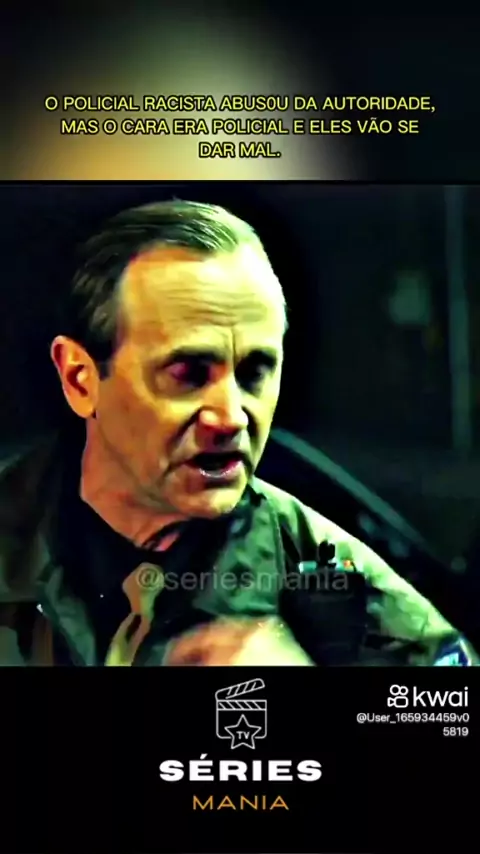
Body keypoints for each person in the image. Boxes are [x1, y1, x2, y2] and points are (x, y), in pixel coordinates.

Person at [0, 200, 475, 666]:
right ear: (80, 379)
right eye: (188, 374)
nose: (231, 417)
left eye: (253, 373)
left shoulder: (315, 563)